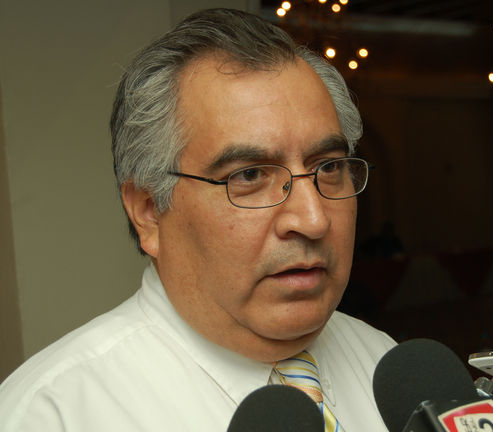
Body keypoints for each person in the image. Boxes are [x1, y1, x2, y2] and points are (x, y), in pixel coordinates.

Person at [0, 8, 396, 431]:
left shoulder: (385, 365)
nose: (313, 220)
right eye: (249, 176)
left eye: (329, 167)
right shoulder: (54, 414)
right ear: (148, 211)